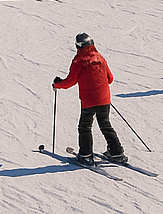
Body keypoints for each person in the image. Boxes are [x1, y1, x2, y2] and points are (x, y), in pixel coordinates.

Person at [52, 33, 127, 165]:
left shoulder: (79, 61)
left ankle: (86, 155)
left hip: (89, 101)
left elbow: (70, 81)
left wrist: (57, 84)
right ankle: (117, 152)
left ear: (78, 46)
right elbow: (110, 79)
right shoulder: (100, 58)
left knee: (85, 127)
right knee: (105, 124)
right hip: (104, 99)